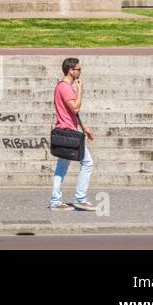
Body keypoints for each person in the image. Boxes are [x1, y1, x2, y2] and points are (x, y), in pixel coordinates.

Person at [50, 57, 98, 211]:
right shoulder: (64, 87)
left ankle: (58, 200)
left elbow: (73, 114)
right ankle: (77, 199)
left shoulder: (63, 87)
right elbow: (75, 108)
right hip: (67, 132)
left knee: (62, 167)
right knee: (87, 163)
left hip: (69, 131)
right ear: (71, 70)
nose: (80, 72)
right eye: (79, 69)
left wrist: (85, 128)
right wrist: (80, 91)